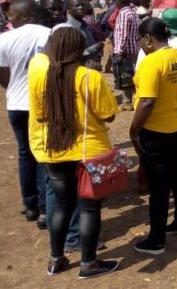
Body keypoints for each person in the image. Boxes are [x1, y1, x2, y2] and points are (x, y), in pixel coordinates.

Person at [27, 27, 119, 278]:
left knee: (61, 206)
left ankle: (56, 260)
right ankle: (88, 264)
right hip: (88, 152)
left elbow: (41, 114)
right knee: (89, 208)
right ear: (79, 49)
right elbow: (107, 114)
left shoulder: (38, 77)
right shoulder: (90, 77)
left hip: (54, 150)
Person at [130, 18, 177, 255]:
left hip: (157, 129)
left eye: (140, 39)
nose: (139, 45)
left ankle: (156, 240)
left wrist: (134, 130)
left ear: (148, 38)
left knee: (158, 185)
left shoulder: (151, 62)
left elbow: (147, 101)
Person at [0, 0, 49, 227]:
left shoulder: (4, 39)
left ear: (26, 16)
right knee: (44, 154)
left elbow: (2, 76)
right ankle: (46, 208)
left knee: (25, 153)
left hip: (16, 105)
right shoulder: (49, 34)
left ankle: (30, 205)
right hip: (42, 104)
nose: (10, 21)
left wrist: (17, 88)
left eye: (13, 17)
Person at [112, 0, 140, 111]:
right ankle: (136, 99)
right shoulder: (133, 12)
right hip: (134, 48)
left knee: (125, 76)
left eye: (116, 1)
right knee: (133, 75)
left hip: (126, 50)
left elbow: (123, 34)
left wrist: (118, 51)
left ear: (120, 2)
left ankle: (127, 102)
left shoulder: (124, 14)